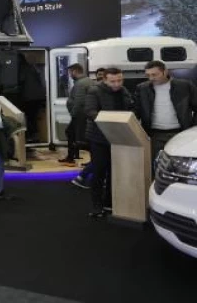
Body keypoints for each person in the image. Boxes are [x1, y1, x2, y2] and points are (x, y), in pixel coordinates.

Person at [84, 68, 134, 218]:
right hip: (99, 137)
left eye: (120, 80)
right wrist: (111, 120)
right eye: (113, 81)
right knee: (99, 171)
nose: (117, 84)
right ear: (105, 80)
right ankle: (96, 205)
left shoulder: (124, 91)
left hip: (119, 137)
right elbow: (90, 111)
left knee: (115, 172)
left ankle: (109, 202)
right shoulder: (94, 91)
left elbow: (130, 108)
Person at [135, 60, 197, 174]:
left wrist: (192, 128)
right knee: (156, 167)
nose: (151, 78)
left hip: (180, 133)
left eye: (154, 74)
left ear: (165, 72)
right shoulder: (142, 88)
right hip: (155, 135)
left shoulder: (184, 86)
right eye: (148, 75)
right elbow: (136, 111)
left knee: (181, 168)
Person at [60, 64, 93, 165]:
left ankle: (91, 160)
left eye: (70, 72)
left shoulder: (81, 84)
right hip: (83, 115)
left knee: (80, 137)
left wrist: (73, 114)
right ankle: (71, 156)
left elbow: (79, 102)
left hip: (80, 116)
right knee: (72, 134)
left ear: (74, 71)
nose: (70, 75)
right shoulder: (86, 81)